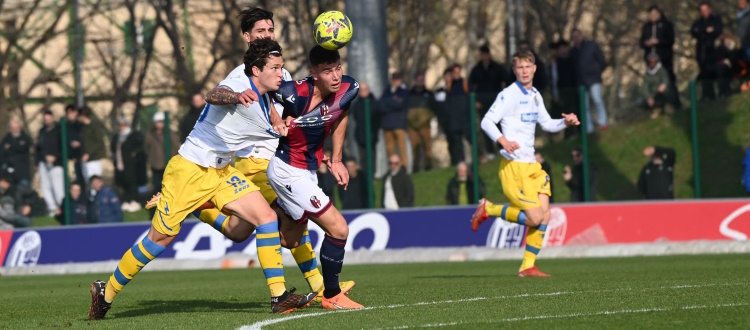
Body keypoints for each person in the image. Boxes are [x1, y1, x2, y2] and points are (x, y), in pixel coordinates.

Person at [88, 39, 316, 320]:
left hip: (221, 172)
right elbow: (214, 94)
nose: (282, 73)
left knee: (266, 218)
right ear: (256, 70)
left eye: (282, 67)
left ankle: (279, 296)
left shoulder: (267, 94)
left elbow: (272, 117)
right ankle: (105, 292)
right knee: (159, 240)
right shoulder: (238, 85)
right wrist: (235, 97)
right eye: (275, 68)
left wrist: (282, 125)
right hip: (190, 171)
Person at [147, 7, 354, 304]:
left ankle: (200, 206)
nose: (267, 35)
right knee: (288, 218)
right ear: (247, 37)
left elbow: (292, 115)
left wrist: (317, 150)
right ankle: (314, 289)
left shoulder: (279, 72)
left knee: (244, 229)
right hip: (253, 162)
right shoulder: (243, 76)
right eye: (260, 32)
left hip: (274, 158)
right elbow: (220, 96)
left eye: (270, 30)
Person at [267, 45, 365, 310]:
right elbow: (259, 90)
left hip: (306, 171)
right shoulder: (293, 91)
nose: (335, 76)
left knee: (292, 240)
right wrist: (276, 116)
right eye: (327, 71)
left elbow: (342, 111)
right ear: (314, 74)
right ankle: (331, 295)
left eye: (337, 69)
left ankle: (258, 216)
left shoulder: (347, 88)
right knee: (339, 228)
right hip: (287, 169)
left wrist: (336, 159)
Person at [472, 50, 580, 277]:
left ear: (534, 69)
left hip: (532, 166)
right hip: (515, 167)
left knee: (545, 216)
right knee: (534, 218)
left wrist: (566, 123)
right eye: (519, 67)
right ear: (514, 70)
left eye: (527, 66)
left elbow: (548, 124)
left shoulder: (535, 95)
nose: (524, 71)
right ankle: (488, 209)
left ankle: (527, 266)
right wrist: (503, 140)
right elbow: (486, 121)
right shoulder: (508, 95)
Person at [469, 45, 509, 159]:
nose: (485, 56)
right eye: (483, 54)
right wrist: (475, 101)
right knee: (486, 126)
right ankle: (490, 151)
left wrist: (505, 97)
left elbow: (507, 81)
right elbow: (470, 86)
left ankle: (502, 148)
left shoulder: (497, 68)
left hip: (497, 103)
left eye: (486, 54)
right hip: (483, 104)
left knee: (500, 126)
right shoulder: (476, 70)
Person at [640, 5, 680, 109]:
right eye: (650, 14)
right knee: (653, 83)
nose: (652, 16)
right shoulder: (646, 27)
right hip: (651, 61)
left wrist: (658, 42)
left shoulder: (667, 25)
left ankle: (674, 104)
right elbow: (641, 42)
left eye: (655, 14)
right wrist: (647, 43)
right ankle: (657, 105)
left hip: (664, 58)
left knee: (668, 81)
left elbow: (670, 40)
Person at [571, 28, 608, 132]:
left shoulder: (591, 46)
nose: (576, 38)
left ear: (581, 35)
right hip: (581, 82)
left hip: (594, 79)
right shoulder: (573, 52)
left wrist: (597, 71)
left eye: (577, 36)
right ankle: (589, 128)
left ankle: (603, 123)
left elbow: (602, 60)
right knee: (585, 106)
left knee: (597, 100)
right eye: (574, 37)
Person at [691, 2, 724, 100]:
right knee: (705, 75)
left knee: (719, 72)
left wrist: (703, 32)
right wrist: (706, 31)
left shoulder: (716, 20)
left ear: (709, 9)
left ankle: (722, 93)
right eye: (702, 11)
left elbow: (717, 31)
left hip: (715, 53)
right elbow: (694, 32)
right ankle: (708, 95)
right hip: (703, 54)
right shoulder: (697, 23)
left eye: (706, 10)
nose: (704, 12)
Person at [111, 118, 145, 212]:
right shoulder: (117, 136)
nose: (121, 127)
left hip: (131, 164)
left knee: (132, 183)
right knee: (123, 183)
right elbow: (113, 147)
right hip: (120, 163)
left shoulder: (134, 135)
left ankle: (135, 201)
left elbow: (140, 147)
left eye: (123, 125)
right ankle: (126, 200)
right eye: (120, 125)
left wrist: (134, 153)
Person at [144, 112, 180, 199]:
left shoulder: (170, 133)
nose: (160, 124)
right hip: (156, 166)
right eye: (158, 122)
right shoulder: (150, 134)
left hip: (169, 165)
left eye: (161, 122)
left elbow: (176, 146)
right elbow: (146, 147)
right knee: (157, 187)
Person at [379, 72, 410, 171]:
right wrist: (393, 103)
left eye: (397, 80)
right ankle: (392, 167)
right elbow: (380, 105)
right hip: (388, 125)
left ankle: (404, 167)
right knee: (390, 148)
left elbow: (400, 104)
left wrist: (390, 103)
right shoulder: (387, 91)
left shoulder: (404, 91)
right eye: (394, 80)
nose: (396, 82)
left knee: (402, 148)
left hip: (399, 124)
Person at [36, 110, 64, 216]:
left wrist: (55, 157)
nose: (47, 121)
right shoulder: (42, 131)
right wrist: (39, 160)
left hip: (56, 164)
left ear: (53, 118)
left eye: (49, 119)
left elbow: (62, 148)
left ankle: (61, 208)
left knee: (57, 187)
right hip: (44, 162)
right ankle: (52, 208)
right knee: (45, 187)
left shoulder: (59, 130)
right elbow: (38, 148)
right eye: (45, 119)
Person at [407, 73, 434, 172]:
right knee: (415, 148)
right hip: (412, 126)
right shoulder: (410, 94)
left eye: (422, 80)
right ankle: (416, 168)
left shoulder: (429, 93)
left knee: (427, 147)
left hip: (425, 125)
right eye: (419, 80)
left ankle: (429, 166)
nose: (420, 82)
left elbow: (433, 109)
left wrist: (427, 118)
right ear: (415, 81)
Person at [351, 82, 379, 175]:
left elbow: (376, 117)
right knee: (362, 157)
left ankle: (372, 174)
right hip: (360, 135)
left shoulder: (374, 102)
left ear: (368, 90)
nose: (363, 92)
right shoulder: (356, 104)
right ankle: (365, 175)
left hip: (372, 134)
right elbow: (356, 117)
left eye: (365, 90)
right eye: (361, 90)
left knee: (372, 156)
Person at [78, 107, 108, 183]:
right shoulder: (83, 128)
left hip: (94, 158)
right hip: (85, 159)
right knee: (87, 181)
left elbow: (98, 142)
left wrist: (88, 153)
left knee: (95, 181)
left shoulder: (94, 126)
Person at [638, 53, 670, 119]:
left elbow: (665, 79)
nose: (652, 63)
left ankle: (663, 109)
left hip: (660, 93)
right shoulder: (647, 73)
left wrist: (663, 86)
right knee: (639, 102)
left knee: (664, 95)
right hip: (652, 95)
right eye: (650, 62)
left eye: (654, 62)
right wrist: (648, 97)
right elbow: (645, 86)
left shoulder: (661, 70)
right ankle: (653, 111)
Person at [1, 119, 32, 186]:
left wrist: (10, 146)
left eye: (16, 128)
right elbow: (2, 153)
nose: (15, 130)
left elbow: (22, 147)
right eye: (13, 128)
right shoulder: (6, 139)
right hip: (9, 175)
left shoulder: (25, 138)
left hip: (23, 174)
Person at [64, 105, 87, 186]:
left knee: (84, 179)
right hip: (72, 157)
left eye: (72, 112)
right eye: (68, 113)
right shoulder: (66, 126)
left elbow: (86, 139)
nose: (70, 115)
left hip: (83, 155)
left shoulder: (81, 125)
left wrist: (81, 145)